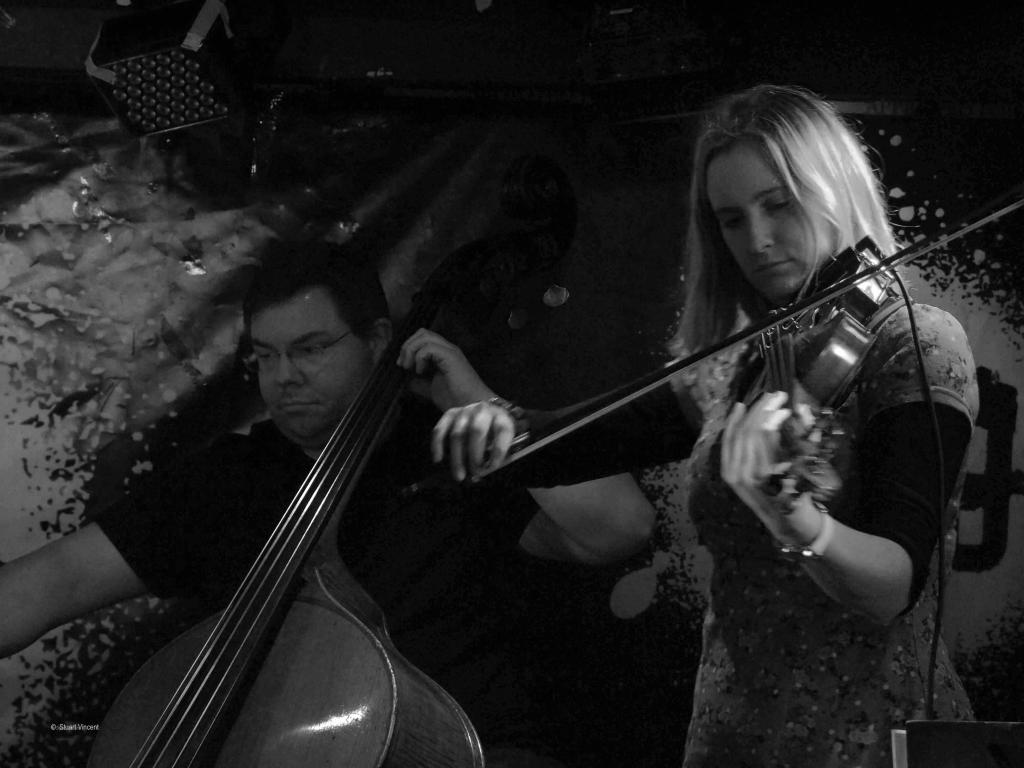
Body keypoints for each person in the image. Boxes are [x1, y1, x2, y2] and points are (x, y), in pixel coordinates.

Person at [428, 84, 978, 768]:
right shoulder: (744, 360)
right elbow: (573, 439)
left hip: (866, 741)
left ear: (834, 188)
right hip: (732, 737)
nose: (758, 241)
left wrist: (791, 518)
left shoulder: (913, 340)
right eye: (732, 220)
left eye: (779, 204)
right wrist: (485, 413)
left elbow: (892, 585)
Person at [0, 238, 657, 767]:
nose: (283, 378)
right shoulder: (226, 478)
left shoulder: (449, 450)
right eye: (266, 356)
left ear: (377, 340)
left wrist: (476, 401)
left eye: (311, 349)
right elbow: (54, 582)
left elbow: (619, 527)